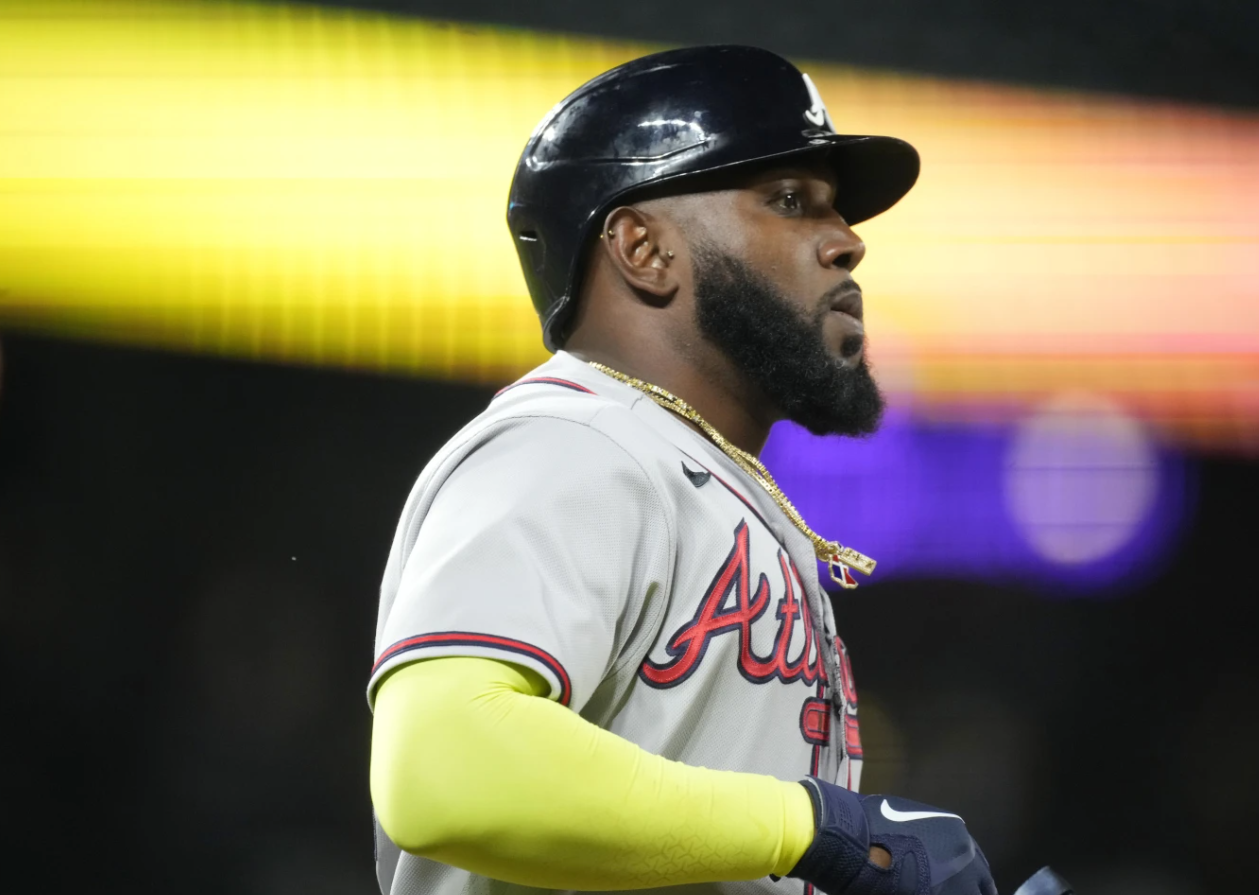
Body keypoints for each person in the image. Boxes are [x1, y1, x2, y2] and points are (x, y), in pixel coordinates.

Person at [367, 45, 997, 895]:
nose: (847, 243)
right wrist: (810, 826)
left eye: (834, 211)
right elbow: (442, 767)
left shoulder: (686, 469)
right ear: (643, 249)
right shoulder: (572, 441)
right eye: (788, 201)